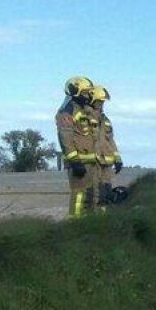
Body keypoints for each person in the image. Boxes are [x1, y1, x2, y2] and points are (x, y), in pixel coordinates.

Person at [56, 76, 102, 218]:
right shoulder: (67, 112)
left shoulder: (84, 111)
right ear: (75, 92)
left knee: (92, 196)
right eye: (84, 92)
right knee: (79, 195)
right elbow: (66, 138)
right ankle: (75, 224)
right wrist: (74, 161)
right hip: (79, 162)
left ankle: (90, 223)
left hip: (91, 162)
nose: (87, 96)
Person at [89, 86, 122, 205]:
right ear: (92, 100)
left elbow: (111, 141)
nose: (102, 104)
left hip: (106, 163)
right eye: (99, 101)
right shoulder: (86, 117)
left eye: (103, 102)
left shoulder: (106, 120)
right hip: (93, 162)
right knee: (95, 193)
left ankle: (104, 217)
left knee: (107, 192)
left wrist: (117, 159)